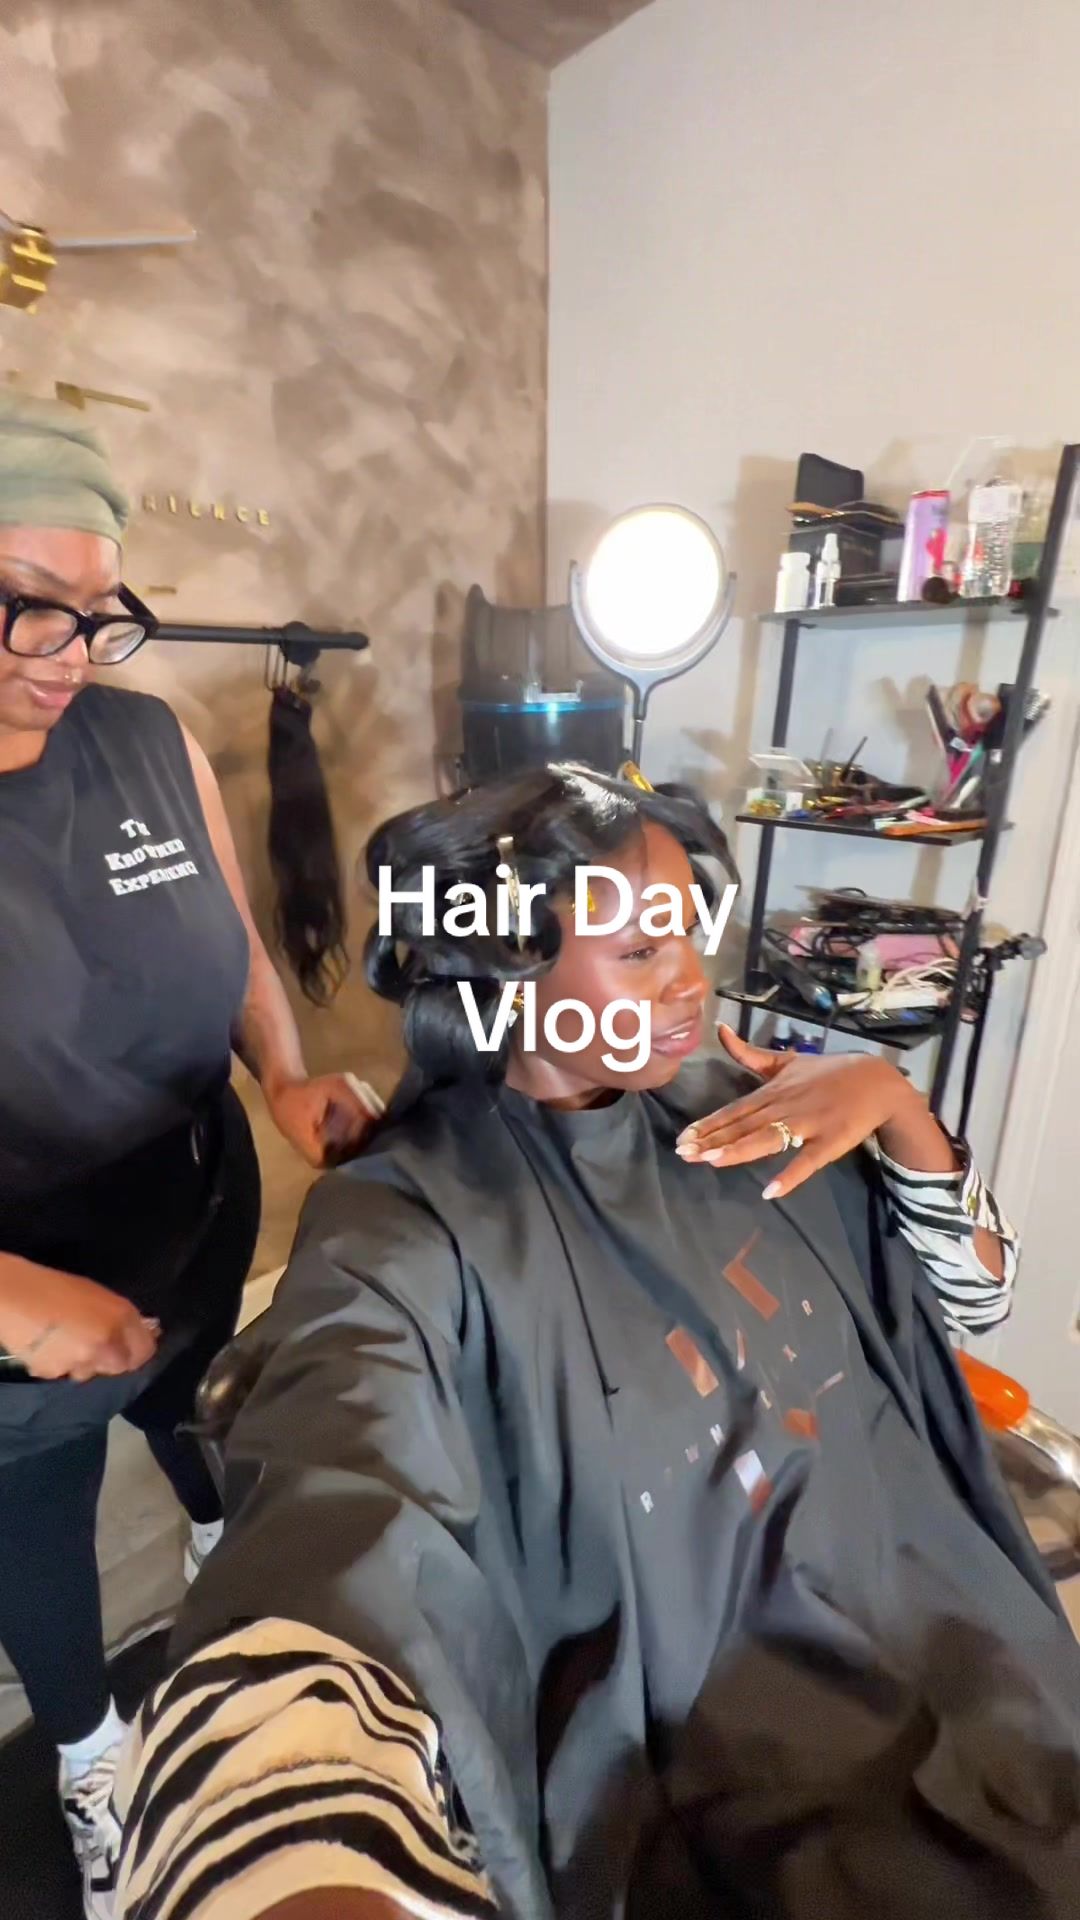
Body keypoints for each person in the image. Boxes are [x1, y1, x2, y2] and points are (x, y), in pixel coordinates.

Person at [115, 765, 1080, 1920]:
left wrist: (896, 1105)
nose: (691, 984)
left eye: (690, 939)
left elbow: (962, 1310)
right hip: (738, 1768)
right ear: (507, 971)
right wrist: (291, 1837)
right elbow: (336, 1504)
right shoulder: (405, 1221)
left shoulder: (753, 1100)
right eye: (640, 953)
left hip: (961, 1645)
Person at [0, 390, 377, 1918]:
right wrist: (12, 1294)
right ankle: (94, 1763)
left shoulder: (147, 739)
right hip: (25, 1267)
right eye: (31, 604)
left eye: (99, 613)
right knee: (36, 1506)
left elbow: (233, 943)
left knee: (197, 1391)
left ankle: (230, 1555)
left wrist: (283, 1075)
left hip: (192, 1188)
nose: (70, 653)